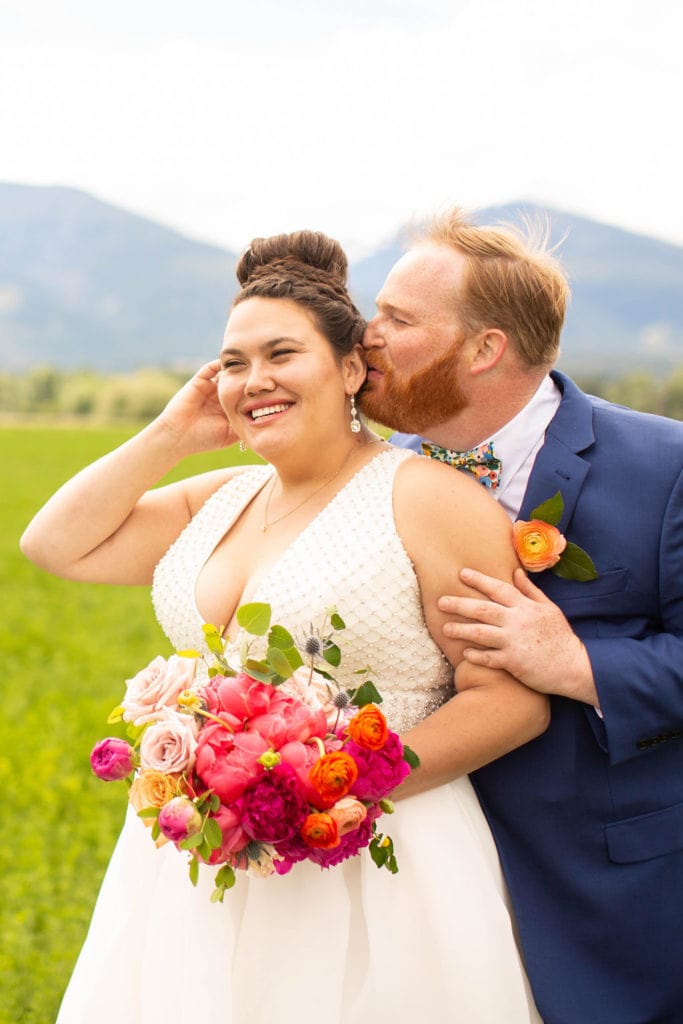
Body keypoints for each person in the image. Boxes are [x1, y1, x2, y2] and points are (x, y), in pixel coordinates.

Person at [21, 230, 548, 1024]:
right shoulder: (221, 496)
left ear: (348, 369)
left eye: (280, 355)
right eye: (233, 363)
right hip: (206, 861)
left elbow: (509, 700)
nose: (251, 380)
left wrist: (335, 792)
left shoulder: (427, 498)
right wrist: (173, 433)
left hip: (380, 857)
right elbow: (53, 545)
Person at [361, 207, 683, 1024]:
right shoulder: (370, 478)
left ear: (483, 349)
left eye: (396, 319)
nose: (366, 337)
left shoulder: (665, 467)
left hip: (601, 901)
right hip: (410, 881)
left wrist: (575, 664)